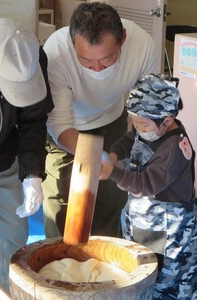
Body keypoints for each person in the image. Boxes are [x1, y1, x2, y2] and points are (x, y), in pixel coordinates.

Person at [42, 2, 157, 239]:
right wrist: (92, 154)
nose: (96, 68)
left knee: (111, 199)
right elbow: (60, 122)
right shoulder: (55, 51)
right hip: (67, 130)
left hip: (112, 121)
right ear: (73, 42)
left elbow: (143, 108)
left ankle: (102, 266)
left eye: (106, 59)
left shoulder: (143, 45)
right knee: (61, 205)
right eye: (85, 61)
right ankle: (62, 268)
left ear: (122, 38)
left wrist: (134, 149)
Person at [100, 73, 197, 299]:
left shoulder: (173, 147)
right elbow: (129, 140)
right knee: (140, 272)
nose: (137, 126)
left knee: (166, 285)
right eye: (133, 120)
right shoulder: (148, 125)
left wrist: (113, 172)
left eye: (142, 123)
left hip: (169, 229)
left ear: (167, 120)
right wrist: (114, 156)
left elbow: (146, 184)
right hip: (144, 221)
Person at [0, 18, 53, 293]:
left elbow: (34, 119)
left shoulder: (33, 57)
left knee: (13, 242)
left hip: (2, 160)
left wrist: (32, 174)